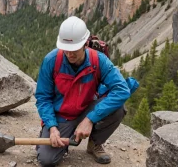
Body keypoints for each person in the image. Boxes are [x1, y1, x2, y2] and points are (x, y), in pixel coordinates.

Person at [35, 16, 138, 167]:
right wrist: (52, 127)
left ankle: (95, 143)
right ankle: (58, 136)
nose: (69, 54)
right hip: (61, 117)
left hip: (87, 110)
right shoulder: (51, 61)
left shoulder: (99, 61)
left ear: (85, 43)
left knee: (119, 108)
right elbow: (43, 97)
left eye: (74, 50)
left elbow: (122, 90)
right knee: (47, 160)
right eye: (66, 50)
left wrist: (89, 119)